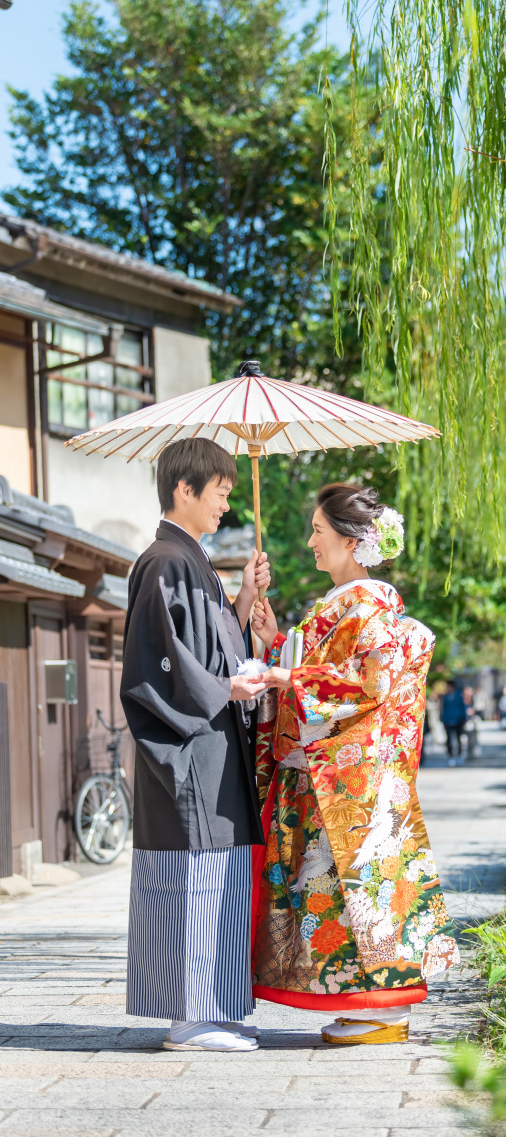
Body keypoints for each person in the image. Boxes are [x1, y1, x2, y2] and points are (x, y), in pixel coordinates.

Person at [250, 483, 459, 1046]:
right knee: (349, 891)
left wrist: (283, 676)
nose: (311, 541)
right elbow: (314, 670)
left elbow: (370, 684)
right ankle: (366, 1005)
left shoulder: (363, 607)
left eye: (319, 532)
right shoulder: (347, 605)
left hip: (350, 775)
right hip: (347, 773)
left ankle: (382, 1009)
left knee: (360, 887)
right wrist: (275, 645)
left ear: (348, 541)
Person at [120, 438, 269, 1053]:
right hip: (187, 752)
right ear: (184, 489)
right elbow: (157, 668)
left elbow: (209, 650)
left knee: (219, 874)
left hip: (212, 749)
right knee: (190, 879)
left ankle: (215, 1006)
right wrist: (224, 685)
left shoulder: (192, 561)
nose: (226, 507)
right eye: (221, 493)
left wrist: (243, 601)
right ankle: (189, 1016)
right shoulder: (164, 561)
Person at [440, 680, 467, 765]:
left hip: (458, 720)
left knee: (458, 739)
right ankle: (450, 756)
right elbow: (442, 708)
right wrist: (442, 718)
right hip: (447, 720)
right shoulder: (445, 697)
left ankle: (459, 755)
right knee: (449, 740)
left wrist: (463, 718)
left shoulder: (459, 696)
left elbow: (462, 707)